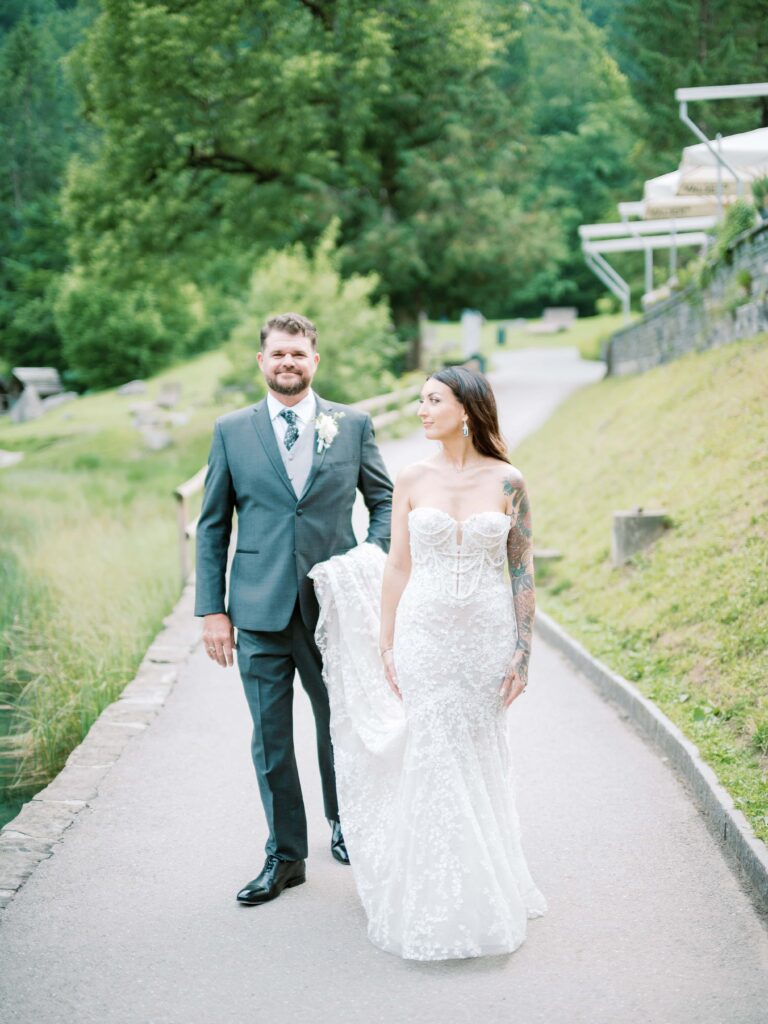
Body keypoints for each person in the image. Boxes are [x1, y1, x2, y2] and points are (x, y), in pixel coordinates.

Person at [310, 366, 547, 960]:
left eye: (432, 400)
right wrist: (386, 643)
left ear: (465, 409)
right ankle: (433, 890)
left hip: (486, 636)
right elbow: (398, 566)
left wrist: (523, 648)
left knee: (479, 747)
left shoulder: (509, 480)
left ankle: (489, 877)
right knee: (435, 748)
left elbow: (521, 568)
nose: (421, 410)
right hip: (425, 633)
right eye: (419, 400)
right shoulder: (411, 477)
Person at [195, 312, 393, 906]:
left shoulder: (352, 424)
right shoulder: (232, 431)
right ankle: (285, 855)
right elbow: (211, 528)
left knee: (340, 723)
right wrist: (213, 610)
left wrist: (365, 561)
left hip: (333, 607)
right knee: (271, 737)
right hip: (256, 610)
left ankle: (347, 824)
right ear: (262, 361)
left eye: (299, 355)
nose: (288, 363)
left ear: (314, 361)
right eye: (278, 354)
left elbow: (384, 500)